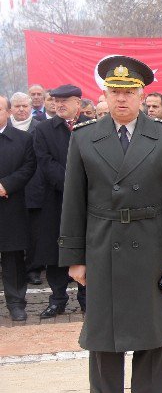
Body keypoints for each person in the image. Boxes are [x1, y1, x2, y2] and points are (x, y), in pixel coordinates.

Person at [59, 55, 162, 392]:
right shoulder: (84, 137)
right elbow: (73, 200)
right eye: (114, 90)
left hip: (151, 247)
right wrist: (74, 258)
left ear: (142, 94)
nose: (121, 98)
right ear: (104, 93)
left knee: (153, 338)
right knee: (104, 339)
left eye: (129, 91)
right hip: (103, 247)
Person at [33, 84, 89, 318]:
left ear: (79, 103)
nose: (59, 105)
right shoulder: (44, 129)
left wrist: (85, 187)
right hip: (56, 200)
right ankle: (57, 299)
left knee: (88, 248)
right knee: (56, 250)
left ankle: (88, 298)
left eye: (65, 100)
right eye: (56, 100)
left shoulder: (91, 126)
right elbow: (45, 163)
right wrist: (71, 185)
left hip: (89, 199)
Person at [0, 95, 36, 321]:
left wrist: (6, 185)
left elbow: (29, 166)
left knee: (12, 257)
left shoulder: (22, 139)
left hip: (10, 205)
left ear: (8, 112)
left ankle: (16, 303)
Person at [10, 92, 44, 285]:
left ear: (31, 107)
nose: (21, 109)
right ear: (11, 109)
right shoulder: (5, 128)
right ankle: (14, 269)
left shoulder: (40, 128)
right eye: (17, 106)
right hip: (11, 189)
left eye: (24, 106)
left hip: (35, 187)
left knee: (34, 232)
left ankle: (32, 269)